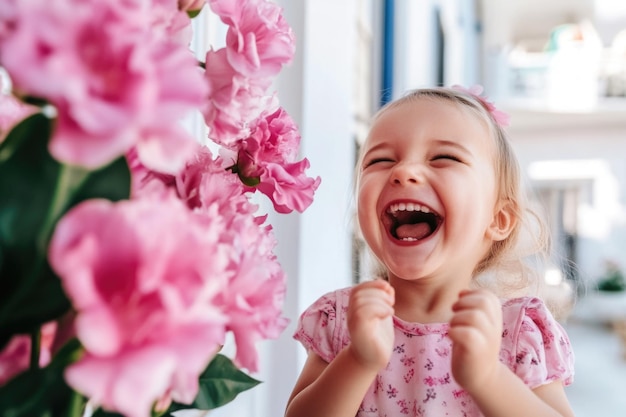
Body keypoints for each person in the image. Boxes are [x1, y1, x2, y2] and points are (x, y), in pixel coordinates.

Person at [284, 86, 575, 417]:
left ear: (498, 219)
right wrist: (358, 360)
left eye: (444, 158)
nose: (403, 172)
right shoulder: (343, 320)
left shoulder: (517, 330)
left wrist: (488, 378)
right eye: (380, 160)